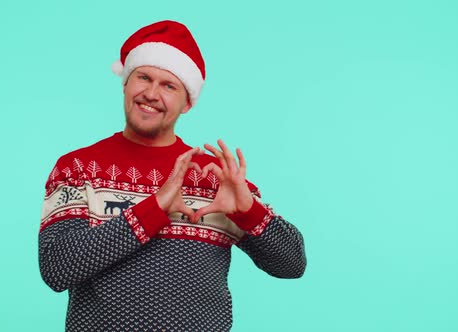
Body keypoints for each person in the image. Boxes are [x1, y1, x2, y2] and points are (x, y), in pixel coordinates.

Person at [39, 20, 306, 332]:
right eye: (144, 77)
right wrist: (154, 210)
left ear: (188, 103)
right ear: (126, 82)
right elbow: (56, 268)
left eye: (169, 85)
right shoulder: (79, 167)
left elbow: (292, 264)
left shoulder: (213, 177)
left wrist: (249, 213)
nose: (151, 94)